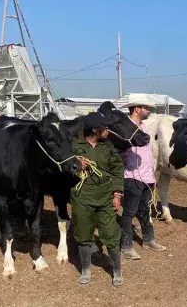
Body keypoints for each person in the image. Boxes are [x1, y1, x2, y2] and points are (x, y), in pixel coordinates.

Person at [70, 112, 124, 286]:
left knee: (110, 233)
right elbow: (62, 168)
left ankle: (116, 270)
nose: (108, 131)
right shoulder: (74, 146)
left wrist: (117, 195)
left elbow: (117, 170)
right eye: (105, 128)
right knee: (84, 233)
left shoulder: (108, 147)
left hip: (105, 196)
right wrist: (76, 165)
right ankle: (86, 269)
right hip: (82, 196)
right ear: (96, 130)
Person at [120, 95, 166, 260]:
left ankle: (149, 239)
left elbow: (147, 152)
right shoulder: (125, 128)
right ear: (136, 109)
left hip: (146, 176)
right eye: (146, 107)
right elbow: (120, 151)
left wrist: (152, 171)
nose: (149, 110)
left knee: (144, 209)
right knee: (129, 212)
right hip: (132, 175)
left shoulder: (144, 127)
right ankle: (126, 246)